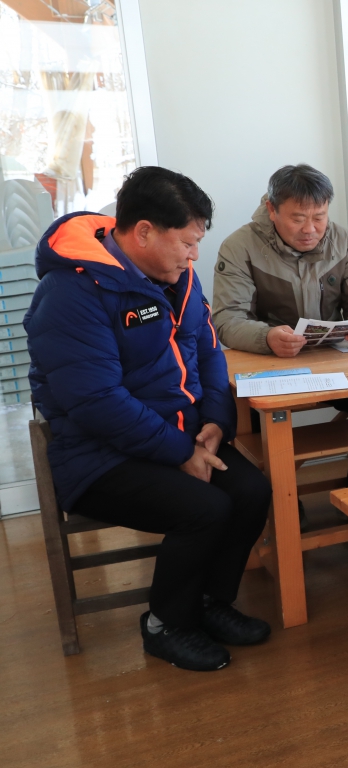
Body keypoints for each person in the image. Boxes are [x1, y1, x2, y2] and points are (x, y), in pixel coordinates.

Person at [25, 167, 273, 672]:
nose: (193, 255)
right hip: (97, 456)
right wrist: (182, 453)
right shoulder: (70, 292)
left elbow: (207, 351)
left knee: (251, 491)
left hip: (178, 435)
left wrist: (215, 422)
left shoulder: (175, 274)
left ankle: (209, 602)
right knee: (203, 508)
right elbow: (96, 402)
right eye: (186, 242)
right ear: (143, 232)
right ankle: (166, 623)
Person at [211, 164, 348, 488]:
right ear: (272, 210)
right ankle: (280, 506)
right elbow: (226, 319)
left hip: (332, 361)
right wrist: (266, 337)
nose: (310, 228)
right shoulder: (240, 247)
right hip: (269, 363)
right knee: (243, 419)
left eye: (319, 216)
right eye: (297, 218)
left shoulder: (343, 241)